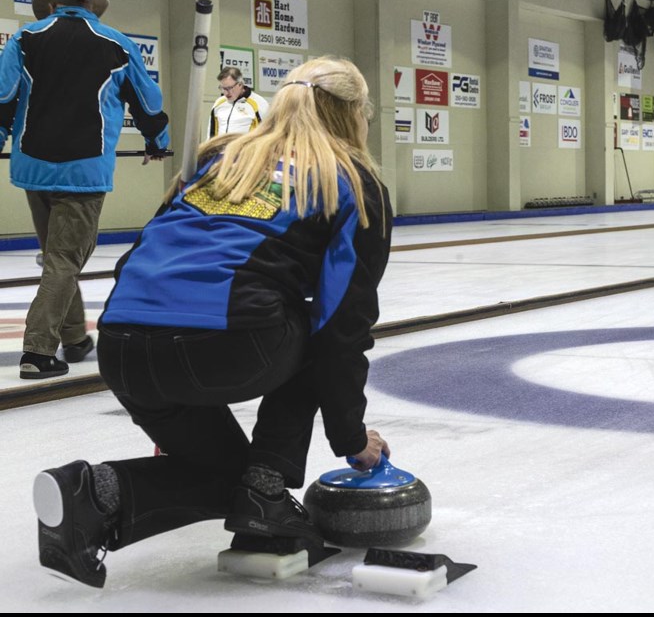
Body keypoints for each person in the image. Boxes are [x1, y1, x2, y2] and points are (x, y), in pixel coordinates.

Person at [31, 57, 393, 588]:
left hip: (125, 348)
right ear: (354, 114)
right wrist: (351, 437)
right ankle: (268, 487)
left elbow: (137, 259)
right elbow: (342, 328)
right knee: (316, 328)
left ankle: (94, 493)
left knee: (229, 479)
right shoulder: (352, 181)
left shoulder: (215, 160)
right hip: (230, 345)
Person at [0, 0, 169, 379]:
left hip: (33, 168)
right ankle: (38, 352)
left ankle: (75, 338)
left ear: (54, 5)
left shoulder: (25, 37)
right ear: (89, 7)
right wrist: (156, 141)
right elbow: (148, 100)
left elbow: (4, 95)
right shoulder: (117, 43)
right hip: (85, 169)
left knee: (59, 255)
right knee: (64, 259)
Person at [209, 66, 269, 138]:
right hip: (221, 149)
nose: (226, 93)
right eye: (223, 88)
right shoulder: (219, 103)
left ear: (240, 84)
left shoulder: (259, 103)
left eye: (229, 88)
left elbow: (267, 134)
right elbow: (211, 133)